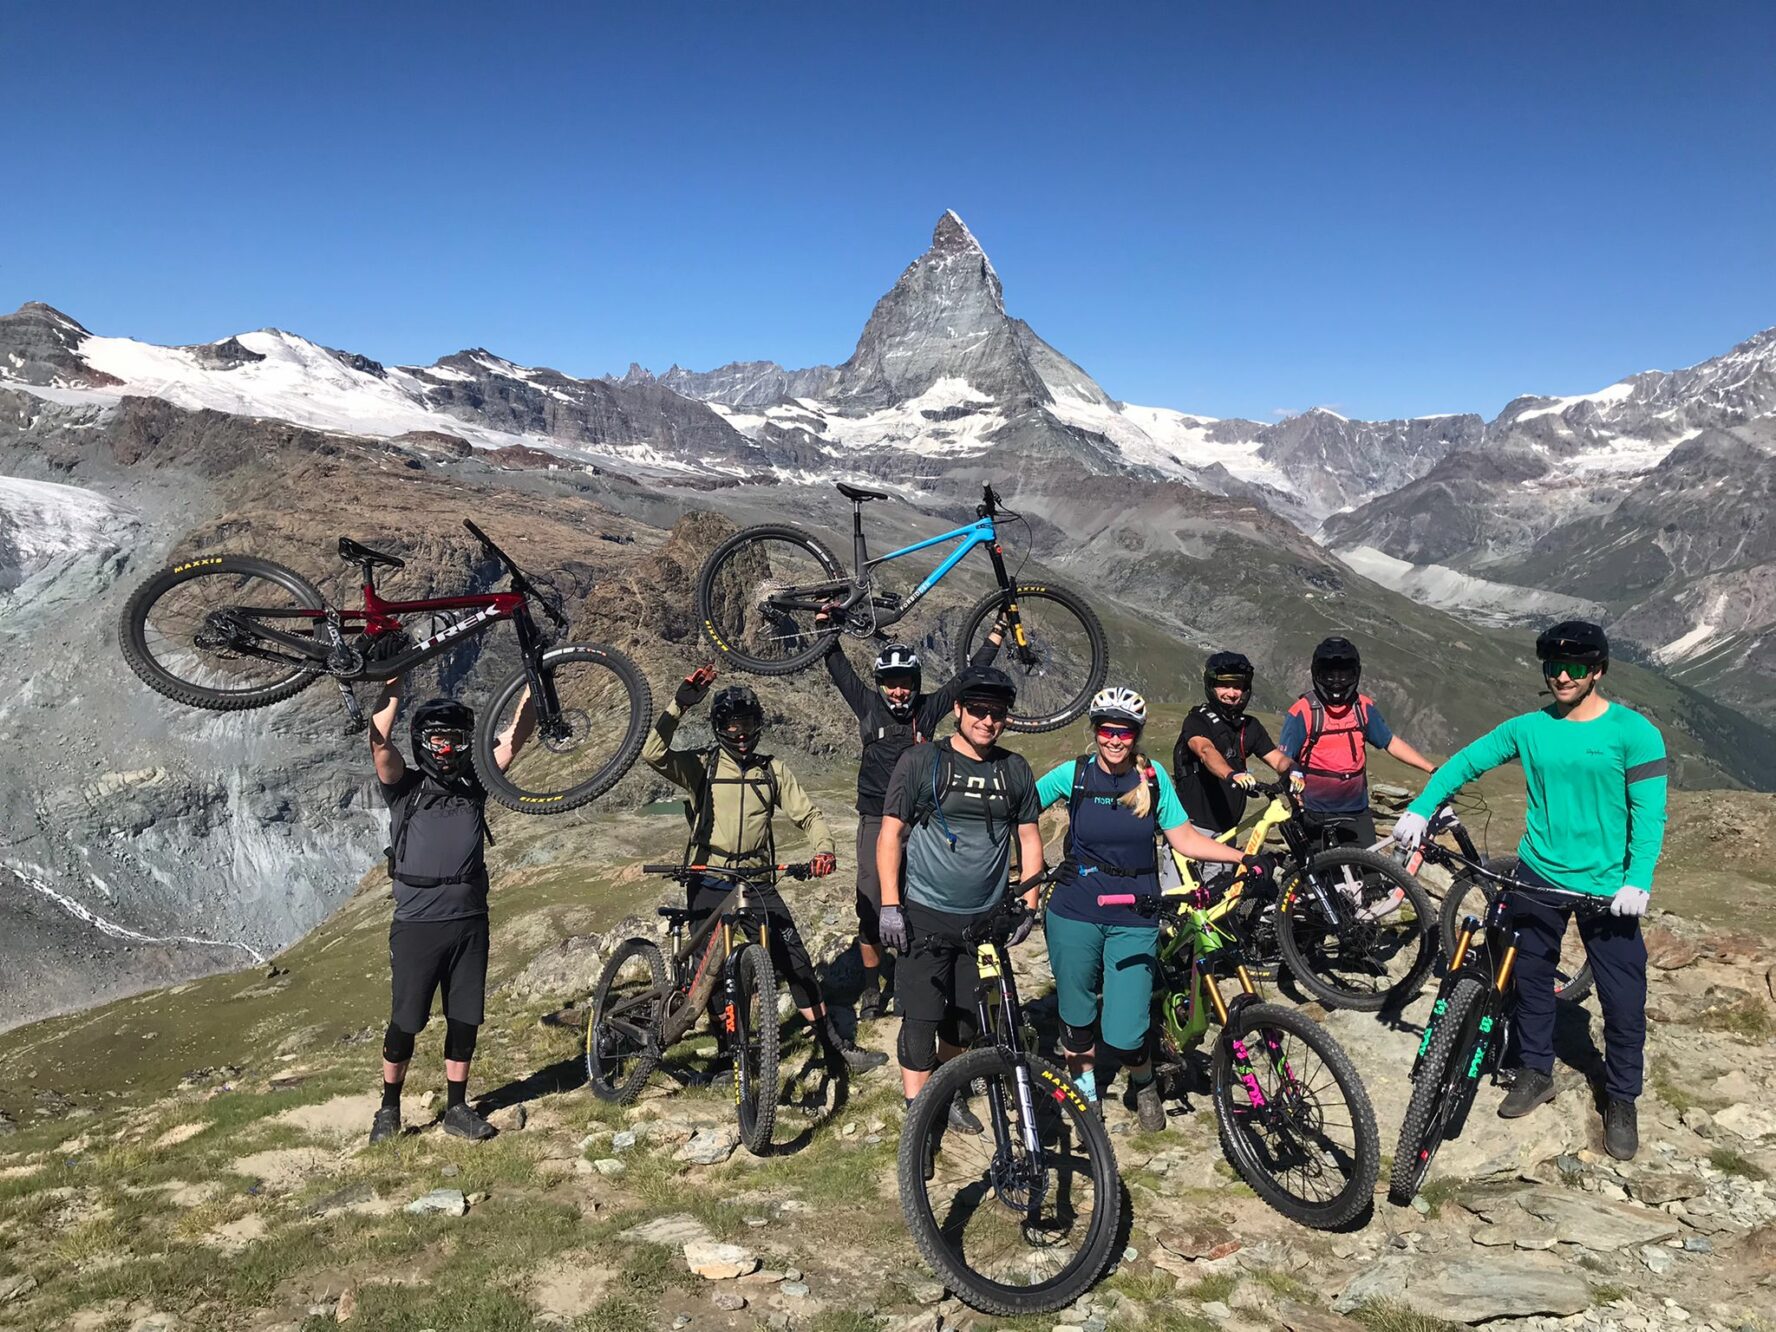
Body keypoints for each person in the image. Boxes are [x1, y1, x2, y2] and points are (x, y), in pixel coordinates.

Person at [1393, 621, 1666, 1161]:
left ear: (1598, 670)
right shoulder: (1529, 728)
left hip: (1608, 888)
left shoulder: (1635, 734)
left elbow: (1649, 813)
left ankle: (1621, 1097)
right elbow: (1465, 762)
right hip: (1539, 874)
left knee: (1623, 998)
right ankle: (1535, 1070)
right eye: (1554, 666)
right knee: (1530, 979)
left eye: (1576, 666)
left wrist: (1638, 878)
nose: (1562, 676)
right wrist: (1423, 807)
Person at [1037, 687, 1277, 1130]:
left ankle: (1143, 1080)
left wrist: (1243, 858)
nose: (1115, 740)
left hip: (1135, 912)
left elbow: (1184, 838)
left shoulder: (1152, 778)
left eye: (1124, 732)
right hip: (1074, 910)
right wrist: (1036, 871)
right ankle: (1085, 1093)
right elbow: (1018, 809)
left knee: (1126, 1030)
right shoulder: (1075, 774)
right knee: (1076, 1015)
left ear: (1136, 735)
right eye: (1107, 730)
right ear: (1095, 731)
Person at [644, 666, 886, 1074]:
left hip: (757, 881)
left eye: (747, 725)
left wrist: (824, 848)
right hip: (709, 878)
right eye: (732, 726)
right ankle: (727, 1058)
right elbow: (653, 753)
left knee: (797, 963)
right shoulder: (701, 766)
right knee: (711, 975)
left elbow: (809, 815)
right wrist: (679, 705)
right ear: (719, 727)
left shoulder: (772, 770)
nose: (740, 734)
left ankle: (835, 1050)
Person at [875, 665, 1044, 1124]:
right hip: (924, 915)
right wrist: (890, 905)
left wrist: (1028, 908)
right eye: (978, 710)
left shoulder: (1014, 769)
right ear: (958, 709)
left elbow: (1029, 839)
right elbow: (890, 835)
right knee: (920, 1021)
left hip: (985, 923)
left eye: (997, 713)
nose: (988, 721)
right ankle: (918, 1115)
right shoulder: (922, 761)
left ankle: (946, 1092)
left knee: (967, 1020)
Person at [813, 616, 1005, 1021]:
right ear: (880, 684)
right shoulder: (867, 705)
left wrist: (997, 634)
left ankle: (906, 982)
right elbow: (837, 666)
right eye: (891, 683)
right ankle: (871, 987)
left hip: (919, 822)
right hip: (875, 819)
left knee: (914, 904)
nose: (898, 690)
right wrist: (825, 626)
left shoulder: (927, 709)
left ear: (916, 683)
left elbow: (967, 676)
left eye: (905, 682)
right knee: (871, 903)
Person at [368, 684, 533, 1144]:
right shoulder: (405, 788)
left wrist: (537, 677)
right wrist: (393, 685)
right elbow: (379, 743)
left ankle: (457, 1108)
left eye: (454, 740)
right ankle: (388, 1108)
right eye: (438, 739)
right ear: (423, 741)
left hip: (470, 923)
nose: (445, 749)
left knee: (464, 1019)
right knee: (406, 1021)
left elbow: (514, 738)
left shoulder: (474, 785)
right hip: (417, 926)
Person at [1279, 636, 1435, 847]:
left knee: (1368, 867)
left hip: (1357, 813)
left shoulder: (1362, 708)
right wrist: (1295, 802)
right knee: (1320, 868)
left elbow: (1390, 742)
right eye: (1329, 675)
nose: (1336, 681)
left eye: (1344, 675)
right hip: (1314, 813)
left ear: (1355, 674)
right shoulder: (1302, 711)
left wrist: (1431, 769)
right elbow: (1283, 760)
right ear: (1317, 674)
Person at [1172, 651, 1302, 837]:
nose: (1232, 694)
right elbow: (1205, 750)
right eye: (1224, 686)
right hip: (1193, 828)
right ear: (1211, 686)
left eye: (1238, 687)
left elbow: (1277, 759)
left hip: (1228, 828)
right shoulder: (1197, 720)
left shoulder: (1249, 726)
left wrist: (1293, 769)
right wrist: (1231, 774)